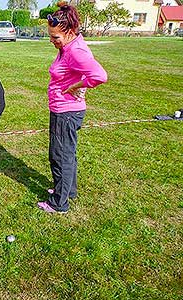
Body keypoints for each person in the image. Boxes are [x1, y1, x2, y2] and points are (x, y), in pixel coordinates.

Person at [37, 2, 107, 213]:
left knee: (60, 155)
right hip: (65, 110)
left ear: (69, 32)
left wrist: (76, 85)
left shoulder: (75, 51)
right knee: (66, 153)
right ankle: (68, 190)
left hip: (66, 112)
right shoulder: (69, 46)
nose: (52, 41)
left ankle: (59, 203)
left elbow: (100, 76)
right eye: (50, 36)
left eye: (55, 37)